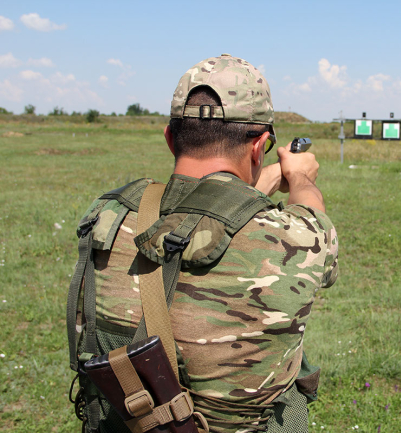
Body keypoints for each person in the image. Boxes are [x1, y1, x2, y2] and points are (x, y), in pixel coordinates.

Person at [69, 54, 338, 433]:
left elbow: (201, 207)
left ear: (170, 138)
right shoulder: (292, 235)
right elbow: (312, 220)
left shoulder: (108, 214)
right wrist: (299, 176)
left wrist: (255, 181)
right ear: (259, 147)